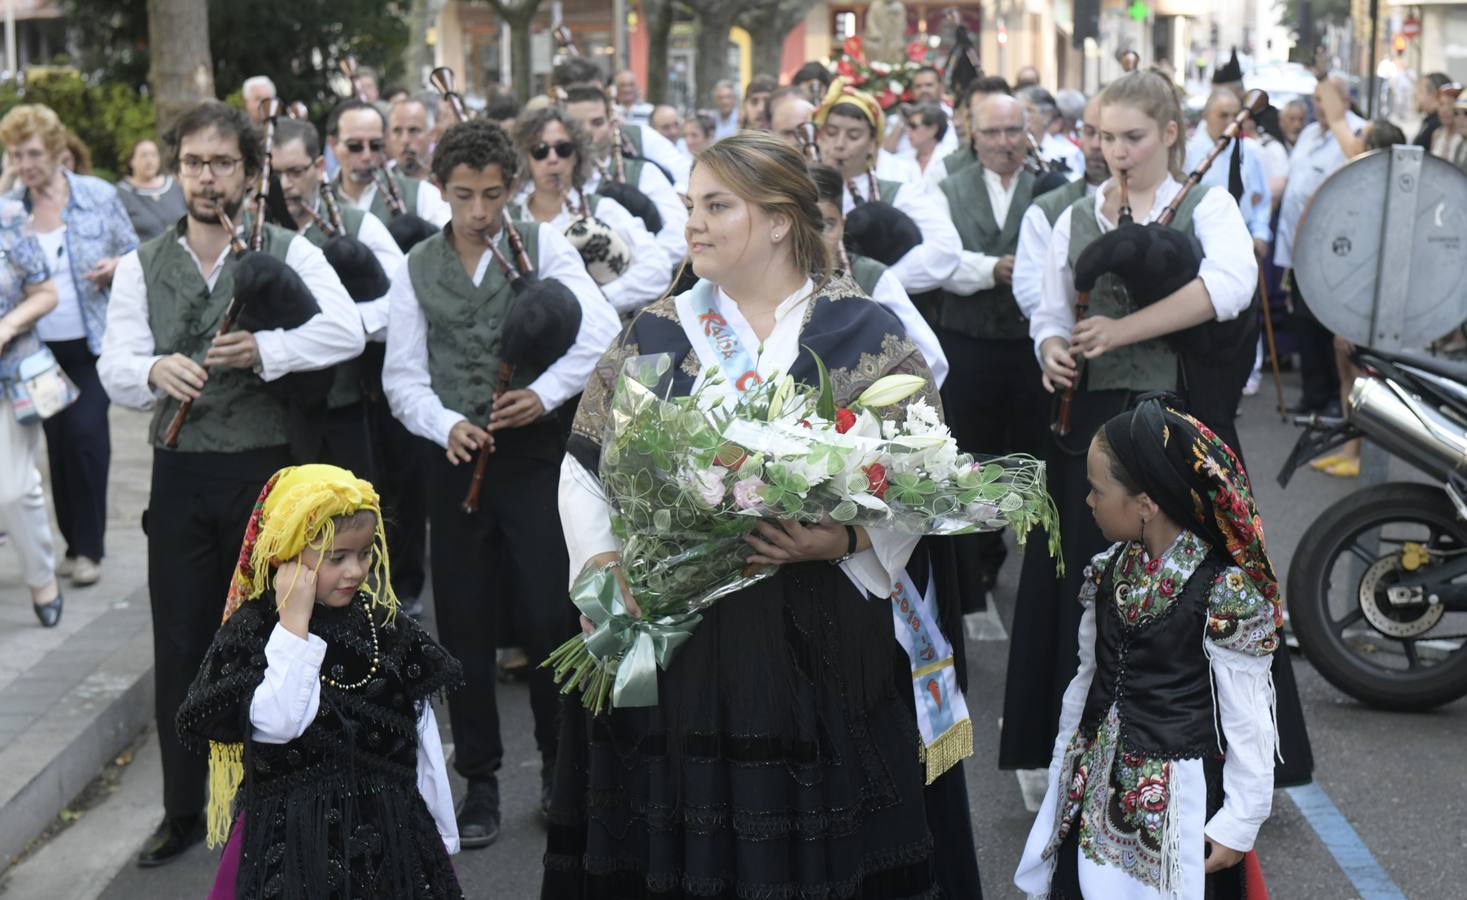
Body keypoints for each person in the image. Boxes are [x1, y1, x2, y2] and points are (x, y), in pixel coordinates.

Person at [544, 129, 943, 900]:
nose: (691, 223)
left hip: (813, 638)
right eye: (690, 205)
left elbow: (924, 475)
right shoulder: (656, 330)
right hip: (676, 641)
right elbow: (584, 465)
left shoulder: (863, 334)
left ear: (778, 221)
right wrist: (600, 566)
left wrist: (849, 535)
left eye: (715, 206)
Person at [98, 100, 365, 867]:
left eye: (221, 163)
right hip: (180, 478)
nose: (205, 176)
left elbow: (346, 329)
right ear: (176, 169)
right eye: (192, 163)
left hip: (264, 474)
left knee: (267, 636)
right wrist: (151, 368)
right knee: (181, 640)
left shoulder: (286, 246)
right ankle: (183, 810)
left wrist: (267, 348)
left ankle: (276, 796)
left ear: (249, 174)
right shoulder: (144, 263)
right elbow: (114, 364)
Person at [1000, 69, 1261, 775]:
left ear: (1170, 134)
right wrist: (1052, 347)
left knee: (1191, 583)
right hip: (1089, 428)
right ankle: (1072, 750)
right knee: (1082, 582)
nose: (1114, 150)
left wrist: (1122, 331)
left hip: (1177, 426)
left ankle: (1205, 761)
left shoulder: (1206, 204)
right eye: (1102, 135)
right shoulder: (1071, 212)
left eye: (1131, 137)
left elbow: (1229, 288)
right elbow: (1051, 308)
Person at [381, 118, 619, 848]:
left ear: (511, 189)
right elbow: (402, 375)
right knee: (465, 625)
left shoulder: (542, 245)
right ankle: (478, 780)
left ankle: (557, 767)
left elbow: (599, 329)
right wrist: (443, 422)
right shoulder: (416, 264)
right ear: (440, 192)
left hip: (532, 458)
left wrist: (542, 395)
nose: (479, 212)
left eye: (491, 195)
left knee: (551, 613)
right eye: (462, 196)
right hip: (453, 462)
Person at [1015, 397, 1278, 899]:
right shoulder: (1109, 570)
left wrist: (1239, 822)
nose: (1088, 503)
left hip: (1176, 802)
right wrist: (1062, 766)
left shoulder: (1222, 591)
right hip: (1092, 788)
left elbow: (1249, 719)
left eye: (1097, 491)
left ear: (1145, 503)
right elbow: (1086, 681)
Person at [175, 464, 463, 899]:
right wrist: (294, 624)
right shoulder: (255, 629)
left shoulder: (383, 625)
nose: (354, 571)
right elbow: (279, 723)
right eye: (336, 558)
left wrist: (440, 838)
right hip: (290, 847)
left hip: (387, 837)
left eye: (364, 554)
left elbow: (421, 736)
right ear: (286, 553)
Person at [1, 104, 139, 590]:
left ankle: (92, 549)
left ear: (58, 151)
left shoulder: (97, 197)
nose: (25, 163)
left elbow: (139, 251)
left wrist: (115, 266)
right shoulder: (10, 209)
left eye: (33, 153)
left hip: (93, 347)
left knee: (86, 438)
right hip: (37, 355)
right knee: (57, 450)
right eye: (17, 154)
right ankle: (73, 545)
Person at [933, 93, 1051, 611]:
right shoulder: (945, 188)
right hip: (968, 341)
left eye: (1013, 131)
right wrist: (992, 270)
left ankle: (1031, 558)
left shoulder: (1050, 186)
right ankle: (977, 559)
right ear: (973, 137)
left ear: (1028, 133)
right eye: (993, 133)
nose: (1005, 143)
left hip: (1030, 345)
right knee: (972, 452)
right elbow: (941, 262)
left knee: (1030, 452)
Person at [511, 105, 670, 315]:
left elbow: (658, 268)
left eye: (563, 149)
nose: (552, 159)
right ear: (526, 158)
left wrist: (600, 298)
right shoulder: (509, 218)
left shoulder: (603, 209)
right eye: (540, 150)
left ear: (577, 155)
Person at [813, 80, 961, 297]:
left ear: (873, 143)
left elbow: (946, 249)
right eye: (832, 132)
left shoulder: (899, 193)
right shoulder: (801, 190)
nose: (839, 144)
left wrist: (880, 281)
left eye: (853, 135)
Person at [807, 161, 947, 385]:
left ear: (843, 225)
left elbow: (930, 359)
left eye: (827, 225)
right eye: (807, 225)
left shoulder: (870, 276)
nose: (816, 238)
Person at [1275, 77, 1364, 416]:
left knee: (1327, 324)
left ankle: (1332, 397)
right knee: (1303, 321)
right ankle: (1313, 394)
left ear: (1342, 100)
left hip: (1330, 248)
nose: (1318, 105)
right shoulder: (1311, 134)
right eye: (1314, 99)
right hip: (1298, 246)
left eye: (1324, 98)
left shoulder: (1355, 133)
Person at [0, 195, 61, 626]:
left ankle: (42, 577)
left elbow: (46, 293)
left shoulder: (9, 220)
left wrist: (7, 326)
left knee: (15, 488)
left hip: (10, 376)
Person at [563, 86, 690, 265]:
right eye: (576, 125)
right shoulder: (549, 181)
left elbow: (677, 238)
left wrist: (633, 271)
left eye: (597, 122)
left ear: (611, 123)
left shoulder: (643, 173)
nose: (587, 132)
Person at [1014, 94, 1109, 327]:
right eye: (1089, 132)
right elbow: (1030, 289)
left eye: (1107, 135)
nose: (1096, 145)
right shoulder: (1048, 209)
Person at [553, 57, 691, 192]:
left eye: (596, 94)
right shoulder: (543, 150)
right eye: (580, 96)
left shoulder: (638, 136)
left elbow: (685, 174)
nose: (590, 103)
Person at [328, 99, 451, 229]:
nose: (367, 156)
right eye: (354, 146)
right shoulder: (319, 201)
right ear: (333, 145)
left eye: (375, 145)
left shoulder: (422, 194)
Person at [1186, 89, 1273, 262]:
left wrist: (1259, 233)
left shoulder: (1248, 151)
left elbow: (1260, 200)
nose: (1230, 122)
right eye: (1223, 115)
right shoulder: (1189, 154)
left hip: (1242, 244)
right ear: (1206, 115)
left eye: (1235, 116)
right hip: (1199, 246)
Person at [117, 138, 188, 242]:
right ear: (131, 161)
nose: (149, 160)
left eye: (153, 155)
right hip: (144, 255)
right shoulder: (121, 193)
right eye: (144, 155)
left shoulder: (175, 185)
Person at [1018, 85, 1084, 178]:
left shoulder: (1068, 153)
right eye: (1020, 110)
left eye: (1029, 110)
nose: (1024, 116)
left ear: (1047, 116)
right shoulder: (1011, 152)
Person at [905, 102, 953, 187]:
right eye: (907, 126)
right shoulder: (902, 159)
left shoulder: (950, 159)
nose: (908, 131)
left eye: (913, 126)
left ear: (933, 129)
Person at [387, 96, 435, 180]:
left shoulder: (447, 180)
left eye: (413, 130)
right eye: (397, 131)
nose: (405, 140)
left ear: (431, 135)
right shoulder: (380, 181)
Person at [1412, 72, 1453, 149]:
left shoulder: (1439, 124)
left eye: (1420, 91)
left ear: (1435, 95)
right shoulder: (1429, 121)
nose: (1416, 95)